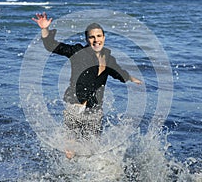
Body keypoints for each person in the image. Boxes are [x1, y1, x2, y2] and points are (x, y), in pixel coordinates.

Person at [32, 12, 142, 159]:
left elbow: (118, 73)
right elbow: (52, 46)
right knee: (70, 152)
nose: (96, 40)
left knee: (91, 151)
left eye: (99, 36)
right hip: (74, 107)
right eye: (92, 37)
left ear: (104, 37)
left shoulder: (108, 58)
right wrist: (45, 29)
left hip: (95, 111)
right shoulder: (77, 51)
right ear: (87, 39)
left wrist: (132, 78)